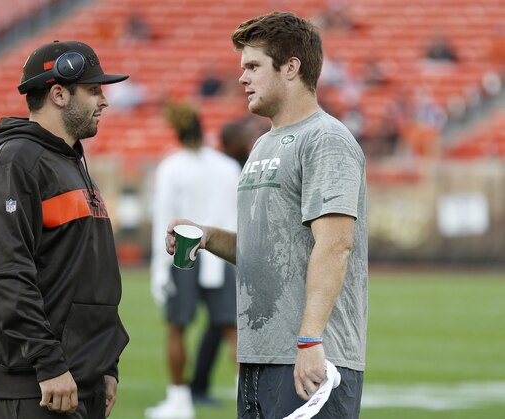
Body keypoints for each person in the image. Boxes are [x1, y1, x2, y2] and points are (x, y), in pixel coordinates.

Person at [165, 12, 368, 419]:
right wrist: (208, 236)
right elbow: (267, 250)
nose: (242, 78)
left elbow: (335, 244)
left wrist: (309, 342)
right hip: (258, 355)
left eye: (253, 66)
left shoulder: (326, 139)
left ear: (291, 67)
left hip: (310, 358)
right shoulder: (262, 146)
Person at [0, 40, 130, 419]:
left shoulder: (69, 160)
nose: (104, 100)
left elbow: (88, 273)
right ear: (59, 94)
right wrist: (48, 363)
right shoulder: (15, 162)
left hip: (80, 375)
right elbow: (8, 273)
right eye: (94, 90)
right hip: (40, 382)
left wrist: (107, 365)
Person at [146, 103, 240, 419]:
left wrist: (159, 267)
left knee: (177, 328)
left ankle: (179, 403)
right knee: (234, 331)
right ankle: (252, 398)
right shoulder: (228, 166)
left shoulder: (172, 167)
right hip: (222, 254)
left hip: (182, 255)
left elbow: (164, 221)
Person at [188, 119, 257, 406]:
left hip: (227, 253)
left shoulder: (234, 165)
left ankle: (198, 386)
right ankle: (249, 393)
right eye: (244, 135)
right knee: (231, 326)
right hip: (226, 253)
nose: (249, 139)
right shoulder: (227, 170)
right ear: (231, 141)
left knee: (219, 325)